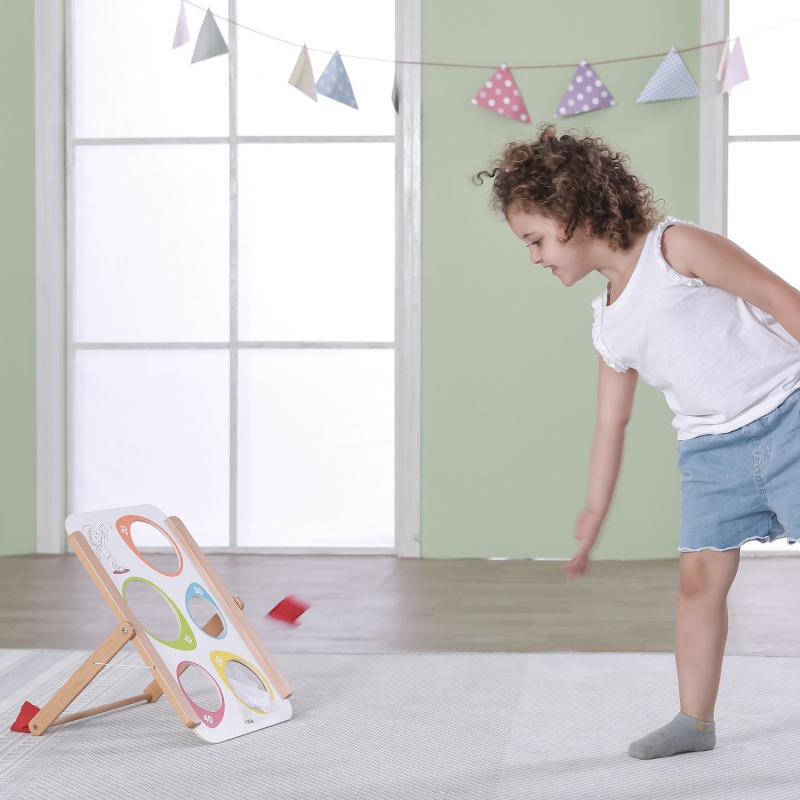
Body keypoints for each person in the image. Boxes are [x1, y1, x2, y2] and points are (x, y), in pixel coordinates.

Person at [474, 125, 800, 760]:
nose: (534, 257)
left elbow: (776, 295)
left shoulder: (676, 247)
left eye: (535, 240)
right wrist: (594, 511)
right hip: (711, 455)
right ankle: (694, 722)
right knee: (698, 582)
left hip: (789, 416)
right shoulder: (607, 324)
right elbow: (611, 422)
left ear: (573, 214)